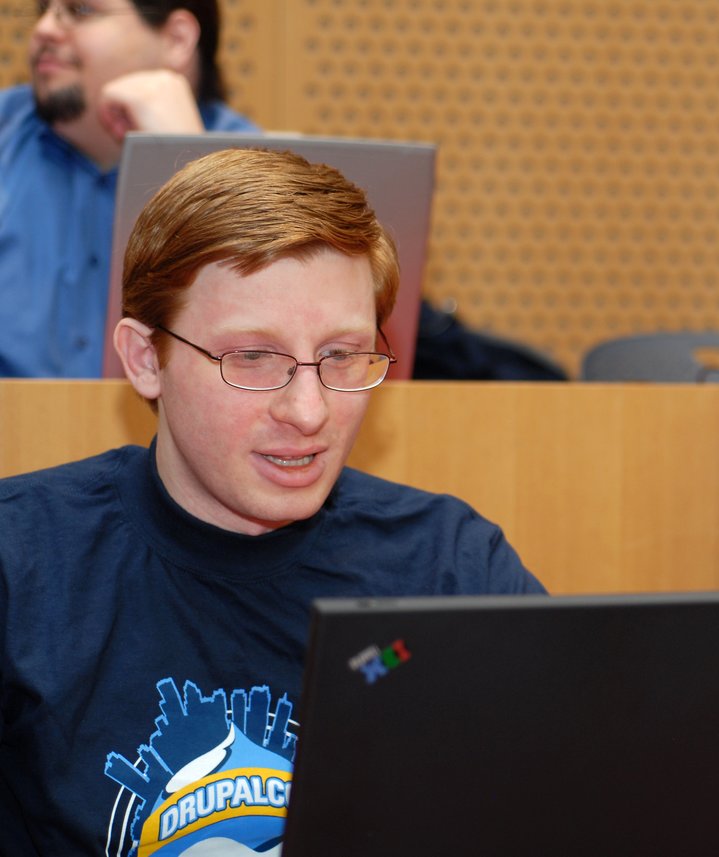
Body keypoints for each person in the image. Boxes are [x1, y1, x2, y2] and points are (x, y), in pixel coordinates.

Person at [0, 147, 545, 855]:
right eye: (253, 358)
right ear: (145, 359)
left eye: (344, 356)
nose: (309, 410)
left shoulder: (450, 566)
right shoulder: (23, 565)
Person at [0, 0, 257, 378]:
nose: (44, 29)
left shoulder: (262, 171)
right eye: (45, 10)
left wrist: (188, 162)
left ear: (176, 39)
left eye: (80, 11)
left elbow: (257, 349)